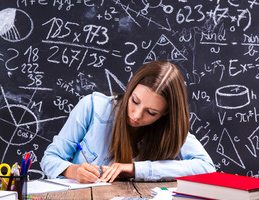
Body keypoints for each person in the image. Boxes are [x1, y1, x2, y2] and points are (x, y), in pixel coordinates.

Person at [40, 60, 215, 183]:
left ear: (165, 113)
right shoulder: (93, 107)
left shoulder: (170, 128)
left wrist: (134, 169)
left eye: (151, 112)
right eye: (135, 101)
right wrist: (73, 171)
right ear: (130, 89)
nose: (137, 115)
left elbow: (206, 168)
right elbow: (50, 158)